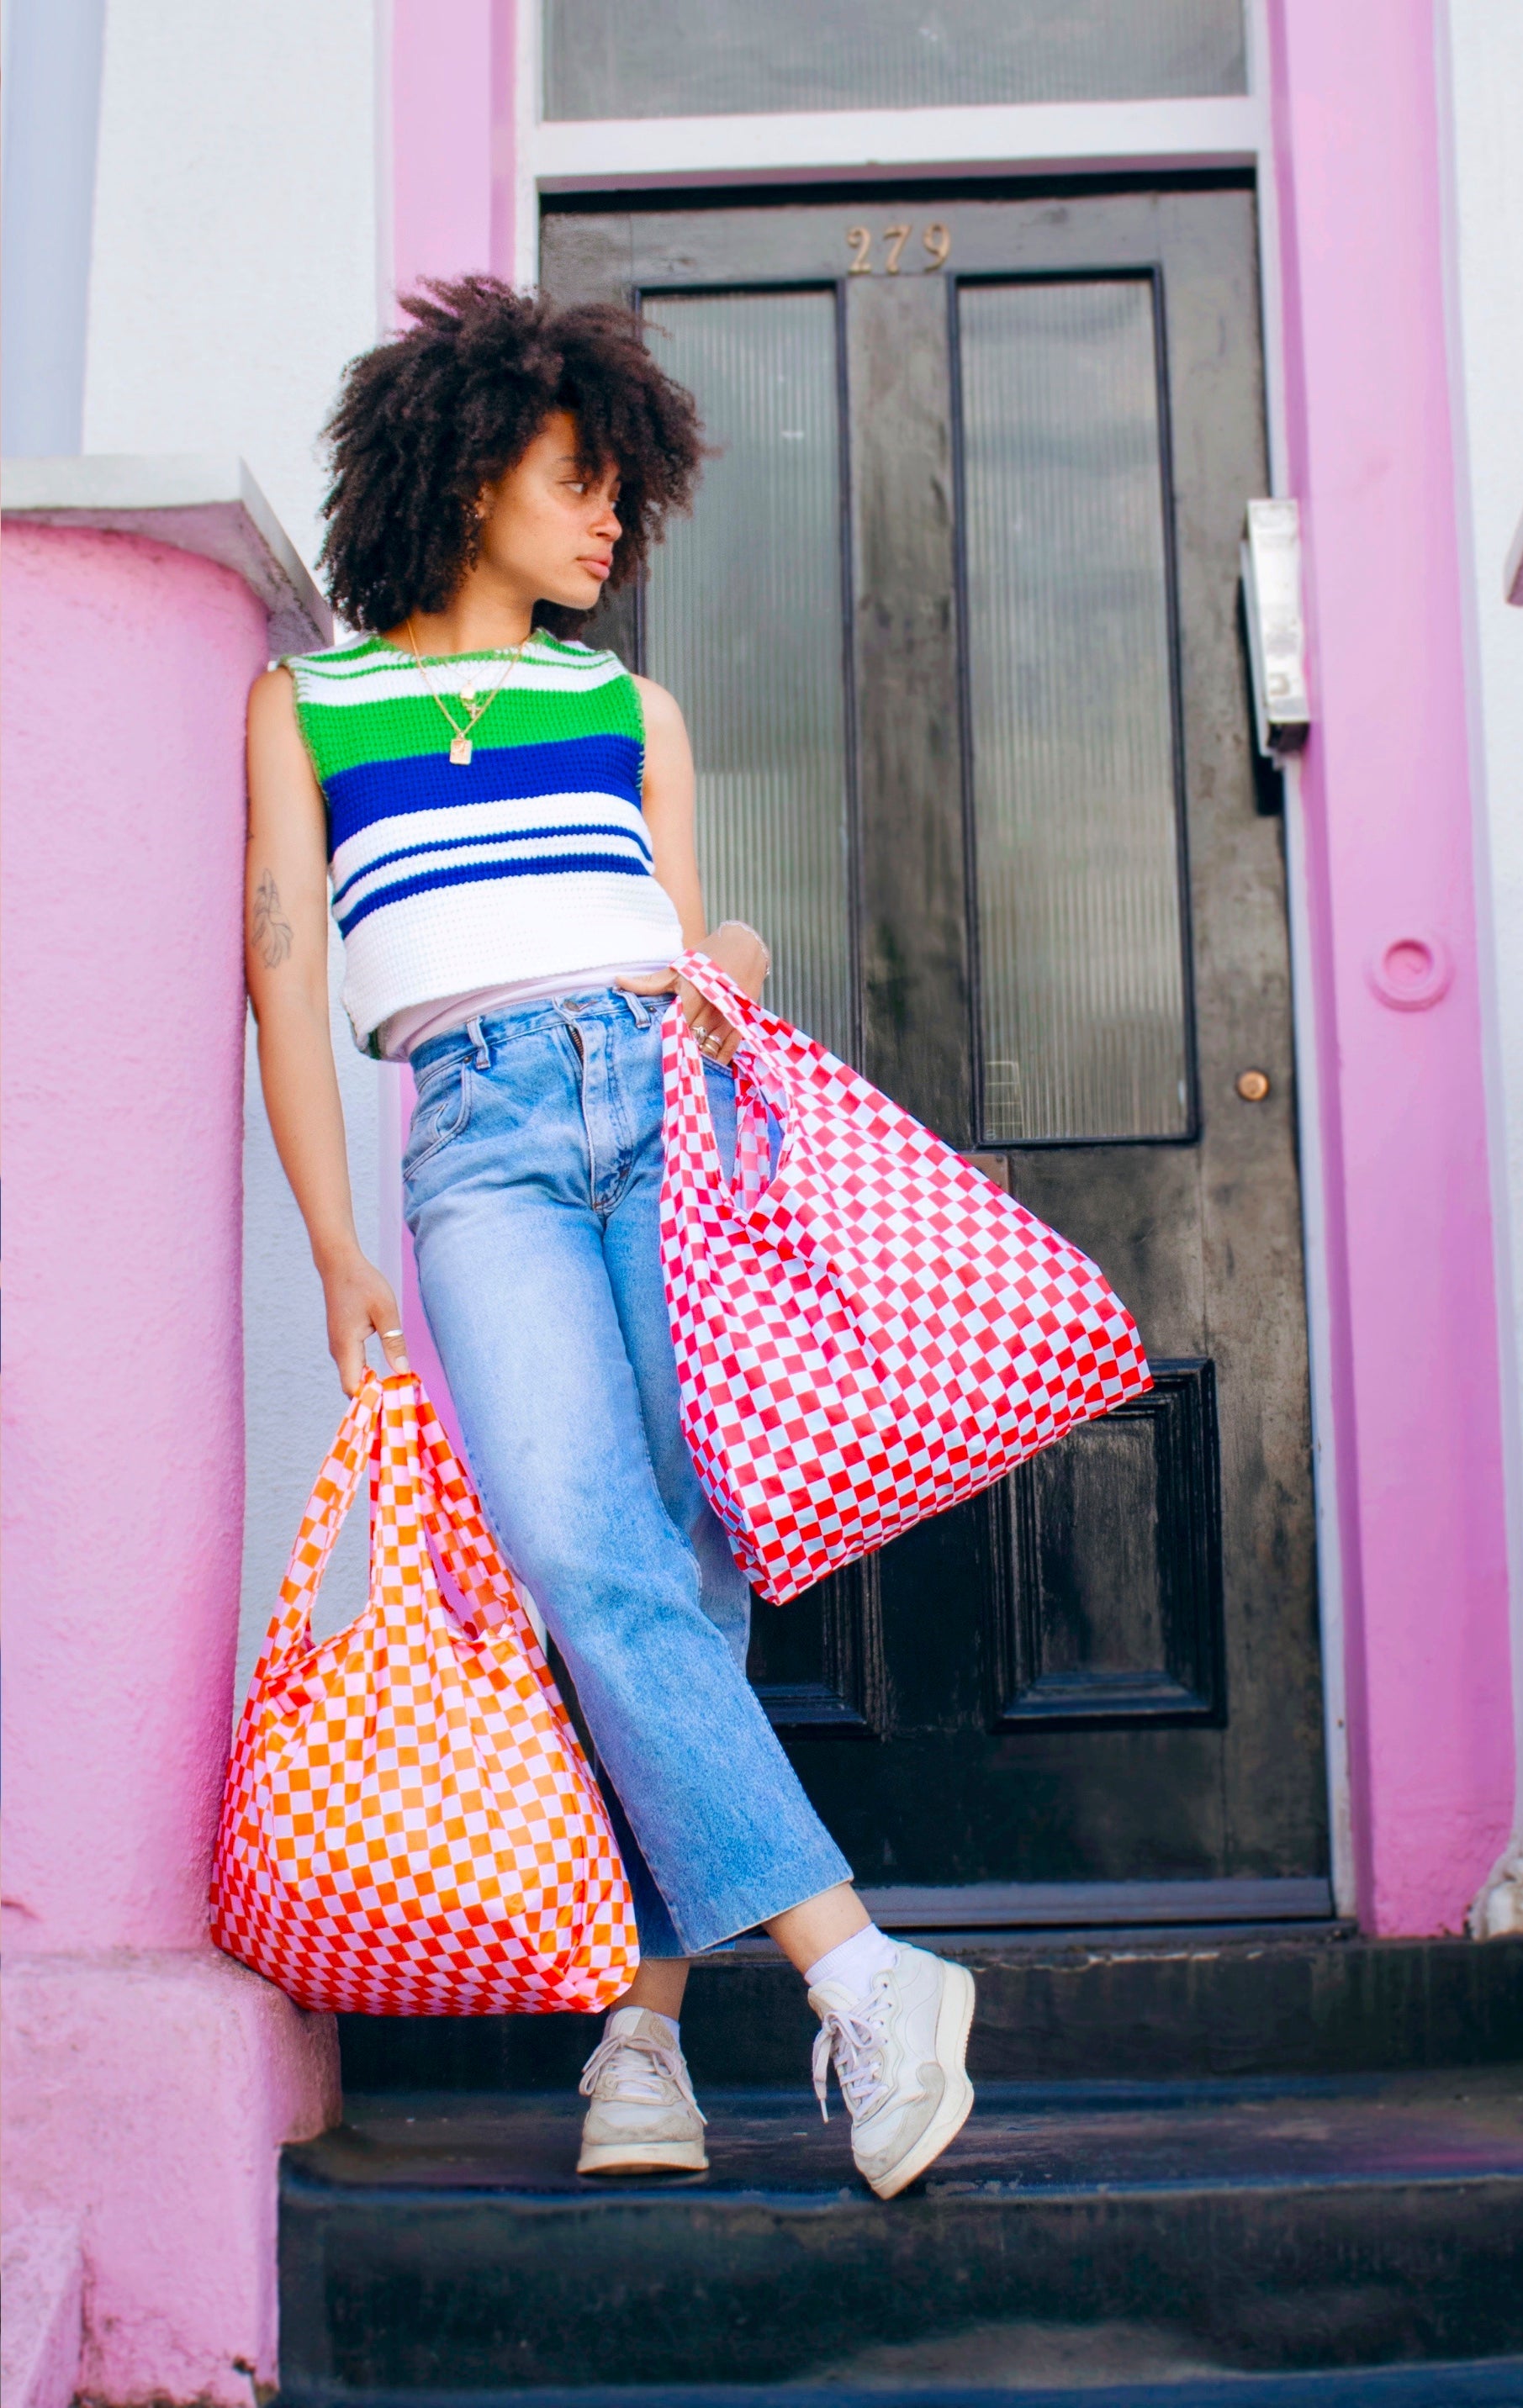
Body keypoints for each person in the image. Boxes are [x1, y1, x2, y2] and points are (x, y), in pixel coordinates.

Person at [245, 276, 974, 2199]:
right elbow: (279, 963)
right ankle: (861, 1969)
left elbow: (691, 929)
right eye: (581, 486)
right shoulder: (308, 702)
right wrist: (335, 1246)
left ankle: (638, 2040)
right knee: (578, 1542)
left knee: (690, 1563)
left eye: (621, 504)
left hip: (668, 1115)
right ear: (474, 466)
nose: (607, 528)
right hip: (474, 1146)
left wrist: (725, 969)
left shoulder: (621, 701)